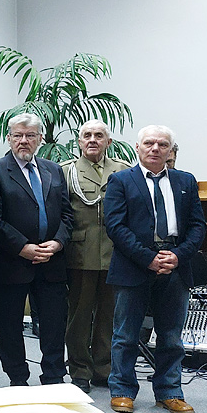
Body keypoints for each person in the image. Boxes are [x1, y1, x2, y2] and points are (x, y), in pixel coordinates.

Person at [105, 125, 205, 413]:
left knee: (171, 336)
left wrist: (176, 256)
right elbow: (115, 226)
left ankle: (170, 392)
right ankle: (122, 390)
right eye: (149, 143)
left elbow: (198, 227)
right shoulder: (121, 180)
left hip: (175, 265)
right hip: (134, 265)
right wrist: (148, 258)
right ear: (137, 147)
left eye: (163, 144)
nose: (155, 148)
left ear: (170, 151)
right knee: (126, 334)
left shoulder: (185, 181)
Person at [0, 113, 73, 386]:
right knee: (9, 326)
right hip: (12, 262)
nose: (23, 141)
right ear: (9, 138)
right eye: (17, 135)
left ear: (39, 139)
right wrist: (22, 247)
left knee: (53, 324)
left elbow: (67, 214)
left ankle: (53, 376)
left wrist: (58, 242)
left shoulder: (53, 169)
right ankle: (18, 378)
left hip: (51, 262)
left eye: (29, 136)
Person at [59, 120, 129, 392]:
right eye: (86, 135)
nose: (92, 140)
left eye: (99, 136)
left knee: (109, 315)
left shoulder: (122, 170)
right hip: (81, 254)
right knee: (79, 315)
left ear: (108, 142)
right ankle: (79, 370)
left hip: (115, 254)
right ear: (79, 141)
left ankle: (104, 369)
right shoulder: (68, 172)